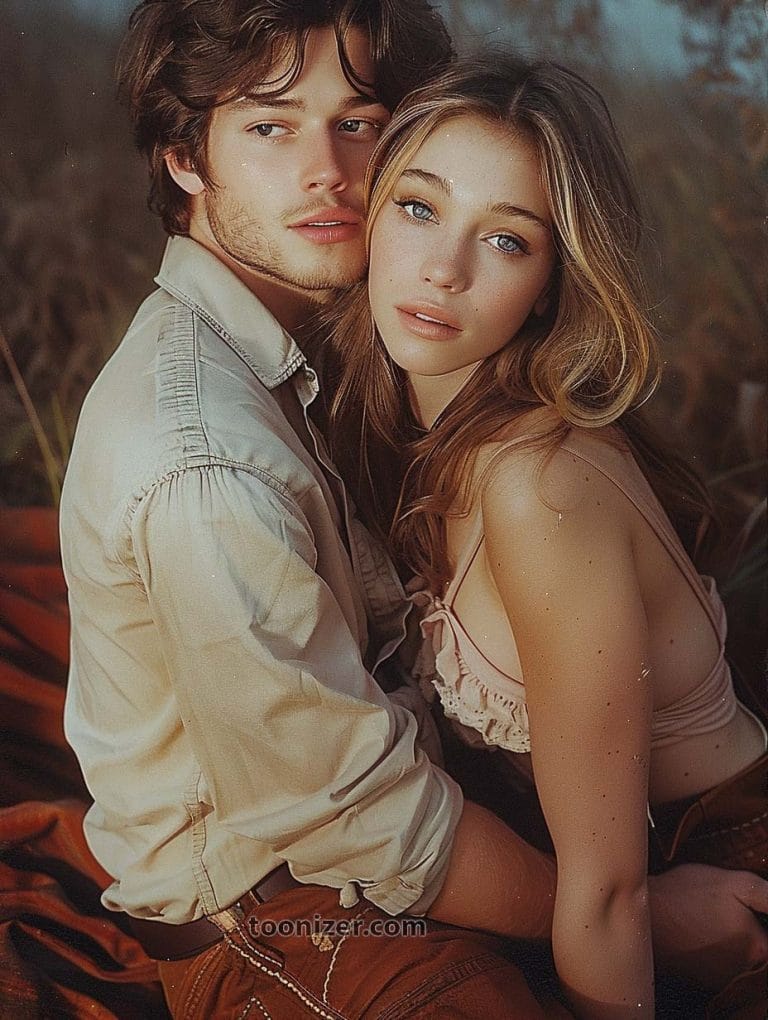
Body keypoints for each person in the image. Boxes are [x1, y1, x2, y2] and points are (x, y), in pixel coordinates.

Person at [58, 1, 767, 1015]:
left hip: (689, 853)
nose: (330, 172)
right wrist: (645, 908)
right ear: (183, 155)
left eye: (358, 123)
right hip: (287, 897)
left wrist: (627, 906)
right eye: (271, 125)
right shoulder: (210, 456)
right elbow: (364, 813)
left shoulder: (450, 430)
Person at [325, 54, 768, 1019]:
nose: (444, 271)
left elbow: (607, 896)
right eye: (419, 208)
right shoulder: (402, 423)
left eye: (509, 241)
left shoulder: (541, 485)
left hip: (730, 880)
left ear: (554, 281)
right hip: (596, 872)